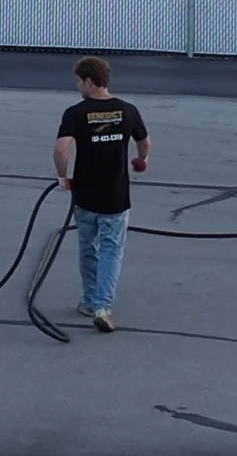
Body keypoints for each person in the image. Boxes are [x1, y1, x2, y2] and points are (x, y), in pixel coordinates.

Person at [53, 56, 151, 334]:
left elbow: (60, 150)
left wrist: (63, 177)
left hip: (85, 196)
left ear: (88, 81)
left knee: (88, 248)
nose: (77, 87)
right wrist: (141, 161)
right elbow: (144, 143)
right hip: (116, 198)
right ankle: (103, 307)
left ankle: (88, 300)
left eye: (78, 82)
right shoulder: (127, 110)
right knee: (111, 250)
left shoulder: (75, 113)